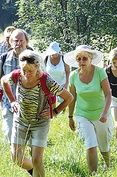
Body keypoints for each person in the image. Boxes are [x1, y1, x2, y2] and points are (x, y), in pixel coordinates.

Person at [1, 49, 73, 177]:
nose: (27, 74)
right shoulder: (17, 75)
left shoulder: (46, 80)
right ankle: (34, 172)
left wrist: (55, 112)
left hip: (40, 123)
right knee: (16, 158)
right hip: (21, 121)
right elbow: (4, 81)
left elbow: (69, 97)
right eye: (24, 70)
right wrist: (12, 101)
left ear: (37, 67)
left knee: (37, 160)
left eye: (30, 71)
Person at [66, 45, 112, 174]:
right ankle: (93, 174)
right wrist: (70, 117)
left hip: (101, 114)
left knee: (104, 146)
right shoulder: (73, 76)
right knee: (91, 145)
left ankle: (107, 164)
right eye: (79, 59)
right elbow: (72, 98)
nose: (81, 61)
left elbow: (108, 93)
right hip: (83, 114)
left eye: (84, 58)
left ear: (91, 59)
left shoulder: (99, 72)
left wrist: (104, 112)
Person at [0, 29, 29, 143]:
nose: (19, 43)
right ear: (11, 42)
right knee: (9, 133)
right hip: (8, 103)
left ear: (26, 42)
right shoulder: (4, 58)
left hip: (29, 104)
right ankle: (18, 158)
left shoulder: (33, 58)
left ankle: (26, 158)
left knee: (28, 137)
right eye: (16, 41)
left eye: (21, 40)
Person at [44, 41, 70, 108]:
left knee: (63, 99)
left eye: (55, 53)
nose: (53, 55)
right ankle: (53, 112)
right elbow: (42, 70)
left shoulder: (63, 59)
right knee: (51, 100)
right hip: (50, 84)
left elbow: (68, 71)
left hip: (62, 83)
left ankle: (63, 111)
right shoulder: (46, 58)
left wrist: (66, 83)